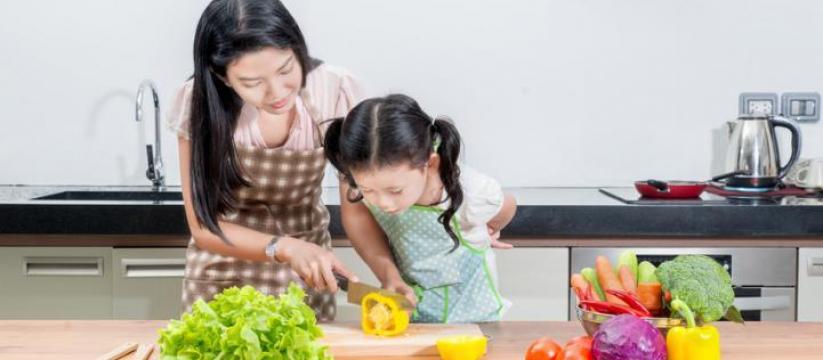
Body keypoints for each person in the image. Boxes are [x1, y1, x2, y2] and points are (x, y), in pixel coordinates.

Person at [167, 0, 362, 321]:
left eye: (286, 69)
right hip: (221, 278)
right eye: (253, 83)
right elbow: (204, 227)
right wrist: (284, 247)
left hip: (306, 275)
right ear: (223, 77)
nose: (276, 92)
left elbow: (355, 210)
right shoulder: (196, 102)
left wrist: (387, 273)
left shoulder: (334, 89)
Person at [325, 94, 517, 322]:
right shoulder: (361, 174)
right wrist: (390, 277)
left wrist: (490, 227)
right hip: (415, 317)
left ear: (430, 164)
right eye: (368, 191)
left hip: (475, 319)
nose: (384, 202)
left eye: (395, 191)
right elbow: (357, 216)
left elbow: (506, 206)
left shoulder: (471, 191)